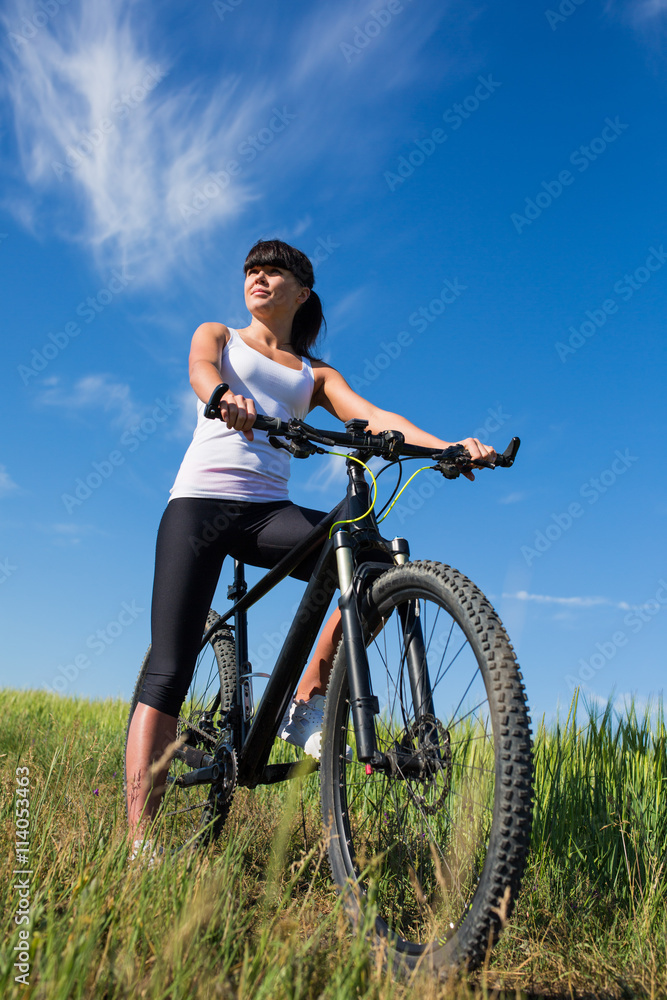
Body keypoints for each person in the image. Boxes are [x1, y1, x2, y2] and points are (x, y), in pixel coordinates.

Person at [125, 238, 496, 837]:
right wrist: (223, 397)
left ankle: (308, 699)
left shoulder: (313, 375)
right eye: (252, 270)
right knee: (168, 668)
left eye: (274, 271)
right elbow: (199, 370)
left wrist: (448, 447)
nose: (259, 278)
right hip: (198, 506)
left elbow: (377, 419)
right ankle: (138, 842)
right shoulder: (218, 335)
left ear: (302, 293)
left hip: (267, 512)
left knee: (370, 560)